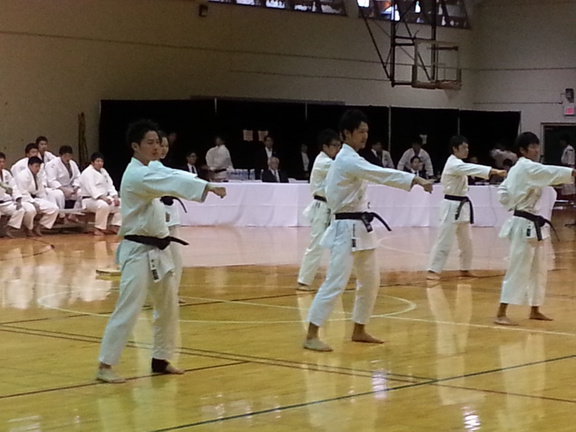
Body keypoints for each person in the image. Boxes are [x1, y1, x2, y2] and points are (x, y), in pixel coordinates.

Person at [96, 119, 226, 384]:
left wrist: (203, 184)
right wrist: (206, 186)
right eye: (150, 143)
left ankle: (160, 359)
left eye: (158, 142)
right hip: (137, 250)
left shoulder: (151, 167)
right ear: (135, 146)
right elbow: (168, 179)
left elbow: (173, 174)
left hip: (159, 250)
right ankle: (105, 364)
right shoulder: (136, 174)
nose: (156, 147)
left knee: (168, 307)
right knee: (129, 307)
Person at [304, 110, 433, 352]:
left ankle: (359, 329)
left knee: (371, 281)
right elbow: (380, 173)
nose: (365, 136)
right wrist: (414, 180)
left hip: (362, 228)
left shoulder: (352, 158)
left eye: (366, 132)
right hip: (345, 228)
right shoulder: (346, 159)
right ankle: (311, 334)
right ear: (346, 134)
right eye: (360, 132)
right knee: (335, 282)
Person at [494, 132, 576, 326]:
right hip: (524, 225)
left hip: (533, 225)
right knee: (518, 268)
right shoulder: (526, 167)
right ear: (522, 150)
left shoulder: (517, 169)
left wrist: (513, 200)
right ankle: (500, 312)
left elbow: (503, 192)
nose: (536, 150)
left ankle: (535, 308)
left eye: (537, 146)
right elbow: (548, 172)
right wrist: (572, 173)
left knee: (539, 269)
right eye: (532, 146)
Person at [427, 136, 507, 280]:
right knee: (444, 240)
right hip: (451, 205)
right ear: (455, 149)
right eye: (463, 147)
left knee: (467, 241)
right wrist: (494, 171)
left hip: (462, 205)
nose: (466, 150)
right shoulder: (453, 163)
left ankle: (465, 268)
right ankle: (433, 270)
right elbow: (472, 169)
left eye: (467, 147)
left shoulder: (459, 163)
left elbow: (469, 168)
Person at [296, 129, 342, 291]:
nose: (337, 149)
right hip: (322, 208)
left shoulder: (329, 161)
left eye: (339, 145)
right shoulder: (324, 162)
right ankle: (304, 280)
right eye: (334, 145)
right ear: (325, 146)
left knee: (338, 246)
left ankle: (335, 280)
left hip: (332, 208)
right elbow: (343, 168)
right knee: (317, 245)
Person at [79, 152, 121, 236]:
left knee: (121, 203)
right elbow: (91, 188)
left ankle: (115, 225)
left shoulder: (103, 171)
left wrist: (115, 196)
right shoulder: (87, 173)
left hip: (105, 197)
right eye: (97, 161)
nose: (100, 163)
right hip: (90, 199)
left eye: (101, 161)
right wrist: (103, 197)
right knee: (103, 205)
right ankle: (98, 228)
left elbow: (110, 185)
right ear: (92, 162)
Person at [14, 157, 59, 236]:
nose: (38, 169)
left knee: (54, 209)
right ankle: (29, 229)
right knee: (31, 210)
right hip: (24, 200)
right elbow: (23, 193)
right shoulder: (23, 175)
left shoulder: (37, 175)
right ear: (30, 166)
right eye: (36, 166)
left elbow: (41, 191)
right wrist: (34, 203)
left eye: (39, 166)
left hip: (35, 199)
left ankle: (38, 227)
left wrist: (45, 201)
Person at [0, 153, 35, 237]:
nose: (1, 164)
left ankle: (8, 229)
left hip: (6, 203)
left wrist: (18, 199)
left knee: (20, 210)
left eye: (3, 162)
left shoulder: (7, 174)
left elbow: (14, 187)